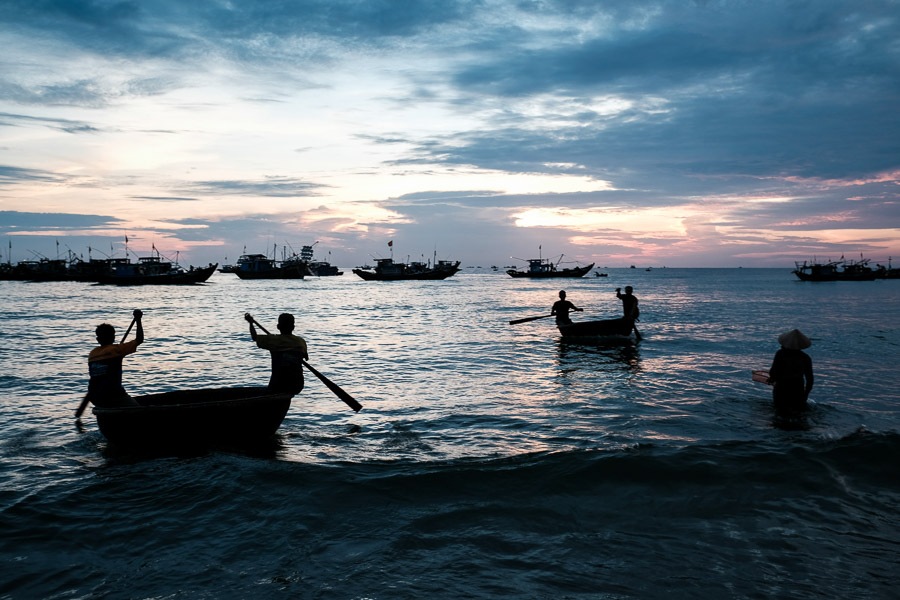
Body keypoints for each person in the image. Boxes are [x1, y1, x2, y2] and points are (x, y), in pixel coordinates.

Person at [87, 309, 143, 408]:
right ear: (113, 337)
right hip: (114, 395)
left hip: (95, 397)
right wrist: (138, 320)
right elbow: (139, 339)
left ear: (98, 339)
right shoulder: (117, 350)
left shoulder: (92, 354)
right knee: (139, 409)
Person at [246, 312, 307, 395]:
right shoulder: (301, 341)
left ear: (278, 327)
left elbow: (254, 337)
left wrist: (251, 323)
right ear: (293, 327)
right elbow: (305, 357)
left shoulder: (273, 340)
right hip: (297, 385)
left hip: (278, 384)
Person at [767, 329, 814, 413]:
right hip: (797, 391)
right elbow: (810, 380)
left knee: (779, 414)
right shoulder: (805, 358)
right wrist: (805, 395)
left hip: (781, 389)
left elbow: (773, 372)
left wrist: (771, 379)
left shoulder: (780, 354)